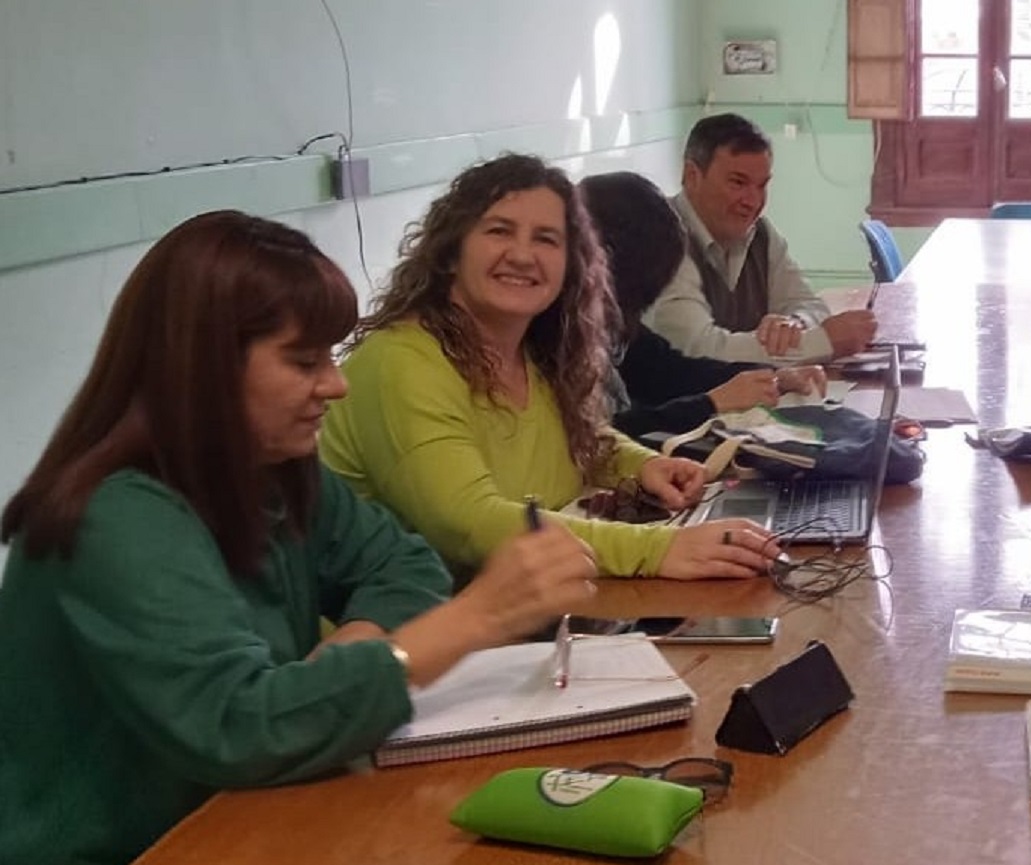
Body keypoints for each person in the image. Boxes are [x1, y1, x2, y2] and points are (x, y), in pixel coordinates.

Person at [0, 211, 599, 865]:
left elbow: (397, 561)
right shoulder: (116, 515)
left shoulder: (269, 476)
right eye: (304, 357)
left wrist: (365, 650)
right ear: (202, 364)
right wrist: (464, 624)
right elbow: (246, 725)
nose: (336, 381)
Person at [320, 154, 779, 580]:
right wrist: (660, 549)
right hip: (403, 648)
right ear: (451, 250)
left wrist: (643, 467)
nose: (522, 255)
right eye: (499, 231)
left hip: (515, 622)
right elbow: (472, 525)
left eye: (546, 239)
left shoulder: (536, 351)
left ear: (570, 264)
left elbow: (583, 439)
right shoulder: (402, 361)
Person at [579, 170, 826, 440]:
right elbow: (601, 434)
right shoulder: (561, 340)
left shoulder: (612, 321)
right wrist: (711, 403)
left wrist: (773, 377)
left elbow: (668, 369)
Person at [642, 113, 879, 364]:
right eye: (738, 183)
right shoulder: (661, 237)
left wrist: (794, 325)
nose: (753, 201)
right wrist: (822, 342)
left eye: (761, 185)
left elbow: (807, 303)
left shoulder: (760, 234)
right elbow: (698, 349)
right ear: (692, 176)